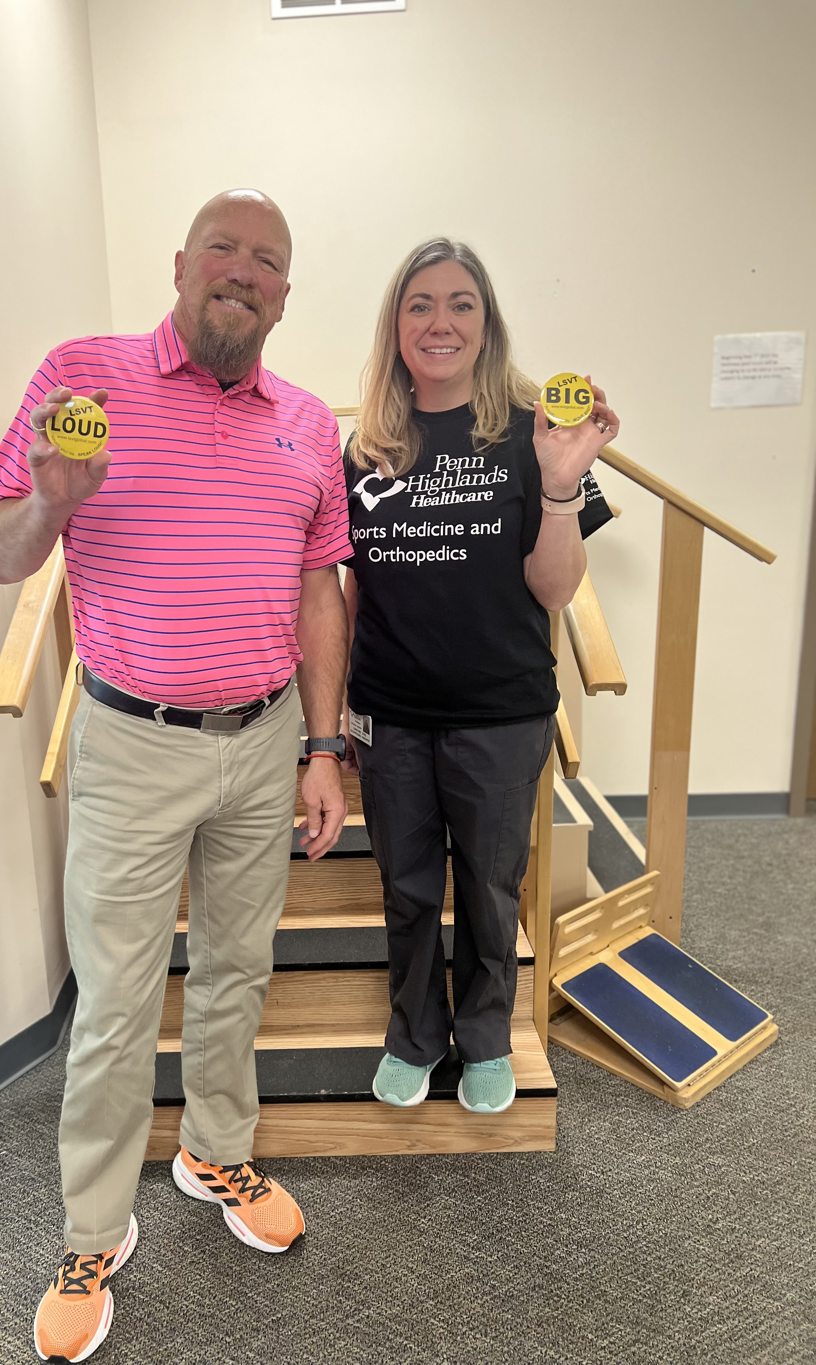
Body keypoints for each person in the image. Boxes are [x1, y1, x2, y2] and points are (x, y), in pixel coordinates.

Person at [0, 189, 351, 1365]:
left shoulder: (306, 421)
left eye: (268, 262)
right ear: (181, 263)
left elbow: (318, 589)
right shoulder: (82, 377)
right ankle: (94, 1229)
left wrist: (324, 746)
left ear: (286, 293)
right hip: (133, 741)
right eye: (225, 250)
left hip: (264, 736)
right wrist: (50, 500)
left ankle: (213, 1153)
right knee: (118, 1002)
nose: (243, 272)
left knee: (238, 971)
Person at [342, 238, 617, 1115]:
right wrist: (342, 701)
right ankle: (416, 1035)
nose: (441, 321)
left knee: (492, 889)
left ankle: (487, 1035)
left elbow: (555, 588)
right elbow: (352, 583)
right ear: (396, 324)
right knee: (409, 888)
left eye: (461, 303)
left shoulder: (533, 433)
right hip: (391, 710)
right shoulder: (366, 447)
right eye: (420, 303)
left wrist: (565, 484)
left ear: (486, 322)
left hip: (501, 712)